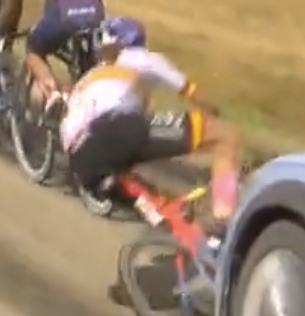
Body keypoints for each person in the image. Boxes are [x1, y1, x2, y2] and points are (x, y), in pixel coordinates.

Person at [63, 16, 244, 238]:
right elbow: (193, 96)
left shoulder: (91, 75)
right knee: (226, 137)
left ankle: (193, 244)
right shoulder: (143, 58)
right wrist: (214, 116)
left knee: (163, 207)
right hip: (112, 131)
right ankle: (223, 222)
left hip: (80, 162)